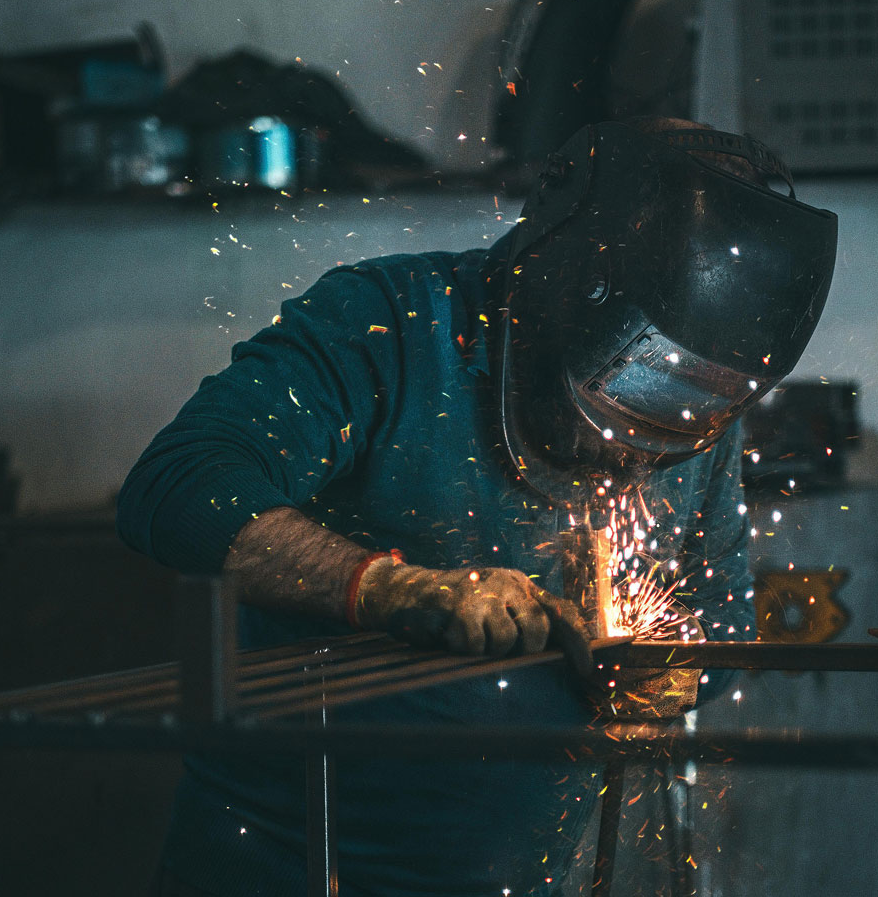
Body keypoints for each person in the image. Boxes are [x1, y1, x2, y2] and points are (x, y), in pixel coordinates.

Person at [117, 116, 837, 896]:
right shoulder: (389, 324)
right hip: (287, 869)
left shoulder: (697, 405)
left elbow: (724, 622)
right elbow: (180, 485)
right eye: (630, 392)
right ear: (568, 281)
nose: (636, 452)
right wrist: (394, 590)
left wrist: (676, 673)